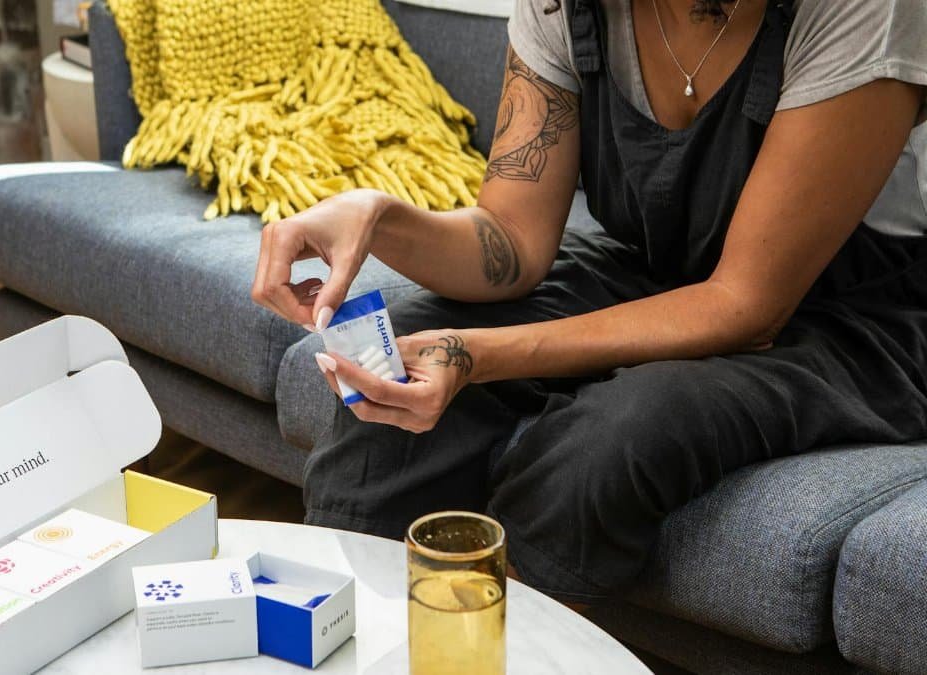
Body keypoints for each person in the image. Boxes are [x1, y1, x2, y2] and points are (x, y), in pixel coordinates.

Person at [251, 0, 927, 604]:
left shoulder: (864, 7)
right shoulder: (562, 9)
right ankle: (356, 633)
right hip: (663, 268)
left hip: (849, 318)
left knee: (617, 436)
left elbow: (743, 304)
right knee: (398, 358)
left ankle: (491, 642)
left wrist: (475, 356)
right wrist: (376, 219)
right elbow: (511, 241)